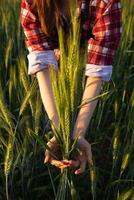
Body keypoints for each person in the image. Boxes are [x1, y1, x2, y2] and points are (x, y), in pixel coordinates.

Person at [20, 0, 122, 175]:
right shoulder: (32, 2)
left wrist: (78, 133)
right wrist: (60, 132)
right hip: (50, 89)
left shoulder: (106, 3)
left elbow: (96, 72)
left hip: (86, 84)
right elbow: (43, 66)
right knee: (47, 128)